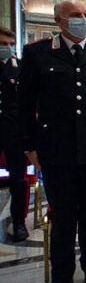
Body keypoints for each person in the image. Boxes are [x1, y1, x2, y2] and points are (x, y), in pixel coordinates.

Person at [18, 0, 86, 283]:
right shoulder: (37, 54)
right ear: (59, 21)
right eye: (76, 15)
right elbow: (24, 105)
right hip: (56, 150)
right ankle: (62, 274)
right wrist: (29, 145)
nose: (83, 19)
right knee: (63, 218)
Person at [0, 27, 29, 242]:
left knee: (18, 179)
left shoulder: (21, 69)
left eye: (11, 44)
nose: (7, 48)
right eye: (3, 44)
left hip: (14, 132)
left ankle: (18, 221)